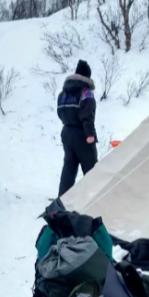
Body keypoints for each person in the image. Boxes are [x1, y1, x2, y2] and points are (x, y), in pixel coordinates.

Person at [57, 60, 99, 196]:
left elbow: (60, 113)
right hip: (82, 135)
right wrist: (90, 134)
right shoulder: (86, 93)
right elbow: (87, 114)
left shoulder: (63, 93)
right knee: (91, 169)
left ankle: (63, 200)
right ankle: (96, 198)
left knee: (69, 168)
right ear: (87, 77)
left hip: (67, 133)